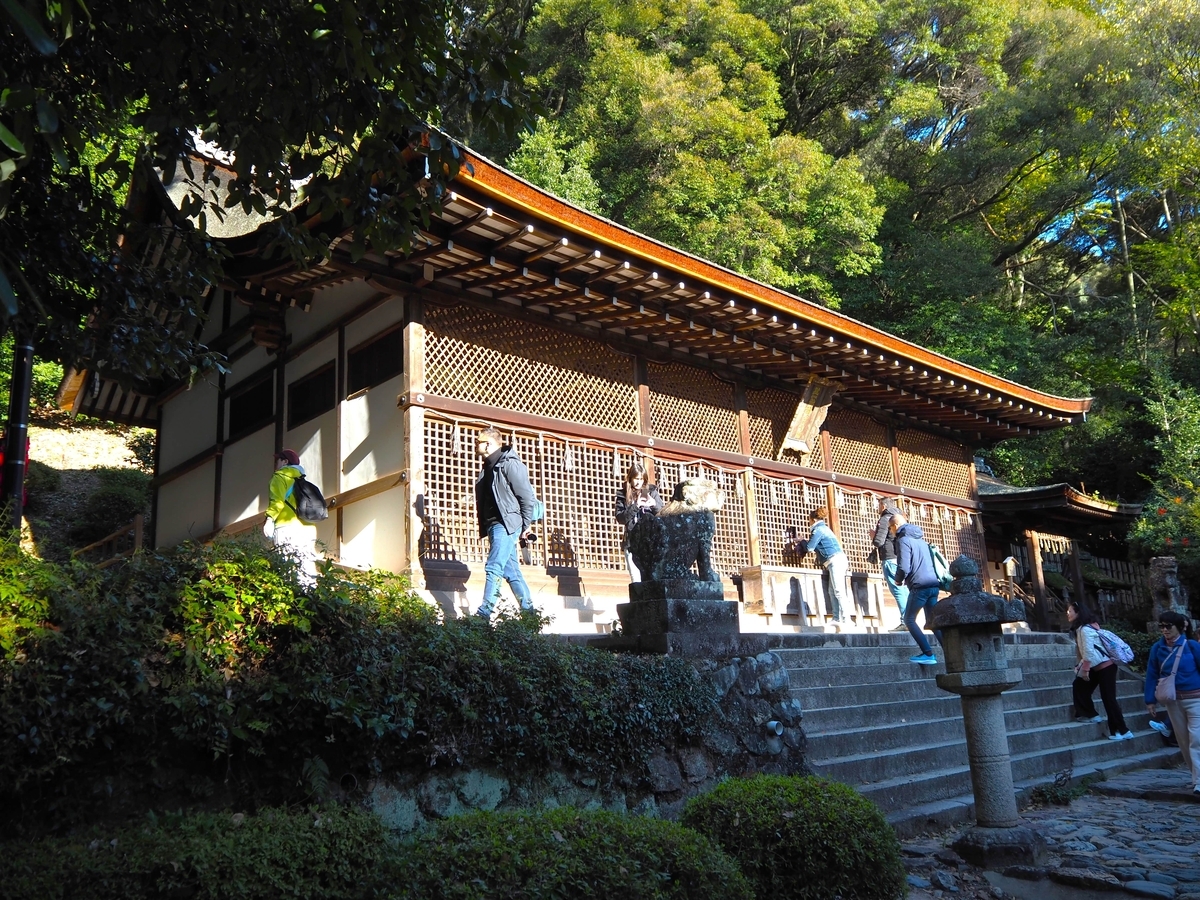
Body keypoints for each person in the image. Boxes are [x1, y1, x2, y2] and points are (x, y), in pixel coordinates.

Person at [474, 426, 537, 620]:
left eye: (479, 441)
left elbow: (526, 497)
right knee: (512, 572)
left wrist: (526, 525)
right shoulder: (488, 466)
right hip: (494, 525)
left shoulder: (510, 464)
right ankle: (530, 616)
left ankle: (484, 614)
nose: (476, 444)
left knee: (494, 566)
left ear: (489, 443)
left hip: (506, 523)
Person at [1145, 611, 1200, 794]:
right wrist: (1150, 700)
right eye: (1162, 626)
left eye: (1168, 626)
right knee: (1184, 741)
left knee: (1197, 739)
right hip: (1173, 701)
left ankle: (1199, 780)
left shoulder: (1191, 646)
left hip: (1195, 698)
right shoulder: (1157, 649)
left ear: (1179, 627)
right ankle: (1195, 776)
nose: (1165, 630)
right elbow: (1152, 674)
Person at [1068, 600, 1133, 741]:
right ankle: (1089, 714)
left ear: (1078, 613)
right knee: (1079, 686)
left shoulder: (1085, 629)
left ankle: (1122, 730)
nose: (1067, 613)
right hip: (1097, 667)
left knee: (1109, 699)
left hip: (1105, 667)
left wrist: (1084, 670)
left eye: (1070, 611)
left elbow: (1089, 653)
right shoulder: (1086, 628)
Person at [892, 513, 942, 666]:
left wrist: (898, 579)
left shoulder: (903, 540)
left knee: (909, 619)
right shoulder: (921, 540)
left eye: (890, 528)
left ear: (894, 526)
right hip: (933, 584)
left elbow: (904, 566)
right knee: (932, 622)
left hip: (919, 586)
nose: (890, 532)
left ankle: (928, 654)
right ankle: (952, 652)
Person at [263, 449, 319, 585]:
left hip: (286, 528)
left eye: (278, 460)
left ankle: (290, 600)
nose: (276, 463)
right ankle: (311, 598)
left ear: (285, 462)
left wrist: (269, 519)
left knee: (286, 565)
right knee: (307, 566)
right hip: (308, 528)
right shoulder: (303, 480)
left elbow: (277, 501)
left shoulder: (279, 477)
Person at [788, 506, 850, 627]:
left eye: (809, 520)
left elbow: (810, 548)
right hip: (836, 560)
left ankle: (846, 618)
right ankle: (837, 618)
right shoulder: (824, 528)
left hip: (835, 560)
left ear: (813, 520)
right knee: (832, 591)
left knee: (838, 590)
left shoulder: (818, 530)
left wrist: (802, 540)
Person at [613, 461, 663, 582]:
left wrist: (653, 504)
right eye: (636, 478)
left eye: (641, 479)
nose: (638, 482)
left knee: (652, 577)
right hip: (631, 541)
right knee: (636, 579)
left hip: (650, 541)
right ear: (630, 478)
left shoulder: (651, 492)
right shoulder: (623, 495)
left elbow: (662, 513)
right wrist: (636, 505)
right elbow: (620, 518)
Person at [872, 497, 908, 629]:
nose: (877, 508)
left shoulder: (885, 518)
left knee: (897, 590)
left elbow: (879, 541)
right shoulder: (900, 517)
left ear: (883, 506)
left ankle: (906, 621)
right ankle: (910, 619)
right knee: (904, 589)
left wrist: (873, 536)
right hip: (901, 556)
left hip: (889, 556)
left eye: (878, 505)